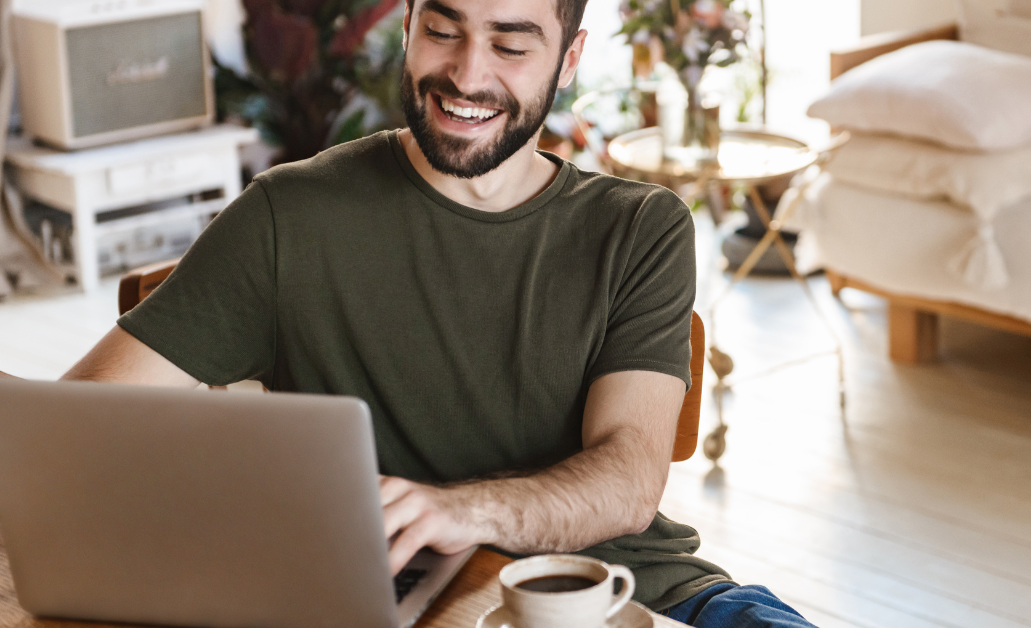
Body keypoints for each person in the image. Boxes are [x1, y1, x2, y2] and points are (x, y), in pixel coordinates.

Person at [53, 0, 817, 626]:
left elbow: (627, 480)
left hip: (641, 598)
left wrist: (462, 511)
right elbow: (75, 429)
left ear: (570, 58)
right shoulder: (290, 216)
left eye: (511, 45)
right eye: (442, 31)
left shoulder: (640, 228)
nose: (466, 74)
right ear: (410, 25)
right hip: (390, 604)